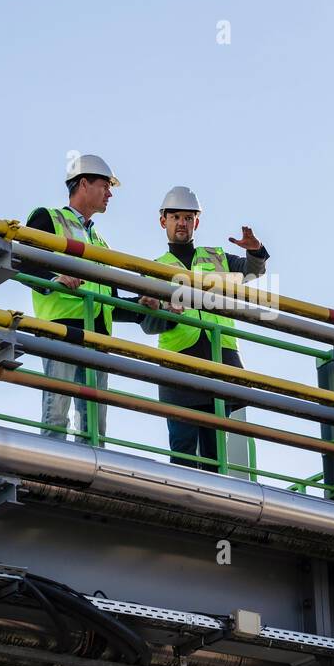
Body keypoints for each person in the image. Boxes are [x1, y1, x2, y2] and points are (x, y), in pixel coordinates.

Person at [139, 186, 269, 470]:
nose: (182, 223)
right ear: (164, 221)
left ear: (197, 222)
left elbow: (253, 271)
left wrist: (256, 252)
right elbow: (148, 324)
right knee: (183, 450)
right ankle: (183, 505)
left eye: (188, 217)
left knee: (214, 453)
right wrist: (167, 313)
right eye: (175, 217)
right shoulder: (154, 268)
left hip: (219, 359)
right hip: (179, 365)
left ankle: (213, 505)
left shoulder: (217, 258)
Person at [17, 155, 139, 442]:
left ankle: (87, 479)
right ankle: (50, 477)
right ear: (84, 183)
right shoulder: (49, 218)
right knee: (56, 415)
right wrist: (53, 280)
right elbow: (24, 261)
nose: (110, 193)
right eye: (106, 186)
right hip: (63, 328)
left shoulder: (100, 243)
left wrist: (141, 306)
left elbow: (111, 299)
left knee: (95, 426)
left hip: (98, 337)